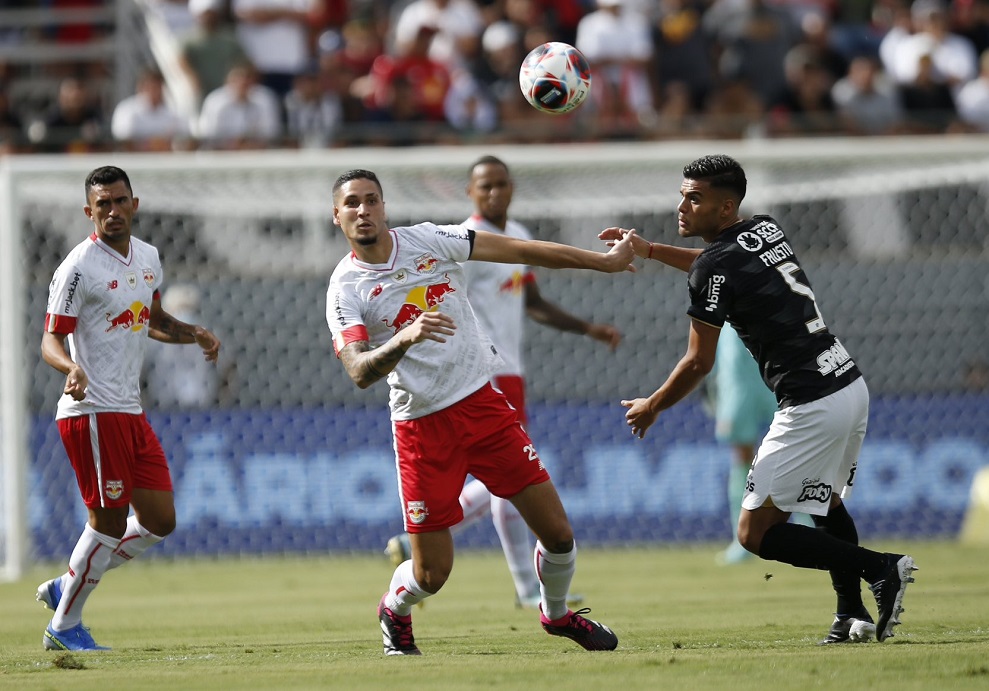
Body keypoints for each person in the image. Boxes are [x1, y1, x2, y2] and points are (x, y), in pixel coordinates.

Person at [602, 154, 917, 645]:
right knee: (824, 504)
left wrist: (654, 404)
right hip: (848, 383)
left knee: (755, 534)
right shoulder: (763, 229)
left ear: (725, 208)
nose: (681, 205)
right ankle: (849, 613)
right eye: (683, 194)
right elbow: (716, 267)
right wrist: (650, 250)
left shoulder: (715, 265)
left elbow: (697, 363)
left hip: (811, 402)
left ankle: (883, 568)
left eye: (695, 198)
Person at [325, 168, 634, 655]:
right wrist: (404, 337)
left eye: (372, 201)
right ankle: (394, 608)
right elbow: (359, 370)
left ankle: (556, 615)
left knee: (558, 534)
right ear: (337, 216)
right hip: (421, 428)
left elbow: (522, 252)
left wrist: (604, 262)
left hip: (482, 404)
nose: (363, 211)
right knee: (432, 574)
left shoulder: (430, 240)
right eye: (352, 204)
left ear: (385, 207)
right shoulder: (346, 288)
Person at [384, 155, 622, 609]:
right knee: (514, 481)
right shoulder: (460, 243)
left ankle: (433, 537)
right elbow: (432, 296)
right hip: (478, 372)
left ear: (512, 189)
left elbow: (532, 301)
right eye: (485, 186)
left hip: (511, 370)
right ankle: (527, 588)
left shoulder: (520, 235)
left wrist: (588, 328)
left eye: (501, 185)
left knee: (511, 477)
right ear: (470, 193)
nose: (494, 193)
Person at [38, 166, 221, 651]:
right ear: (89, 211)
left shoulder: (148, 258)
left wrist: (191, 333)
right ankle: (64, 626)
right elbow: (51, 338)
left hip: (130, 410)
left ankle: (67, 583)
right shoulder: (78, 266)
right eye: (103, 204)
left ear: (134, 204)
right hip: (92, 411)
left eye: (120, 201)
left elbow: (152, 319)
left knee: (160, 520)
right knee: (108, 523)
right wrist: (69, 370)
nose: (113, 211)